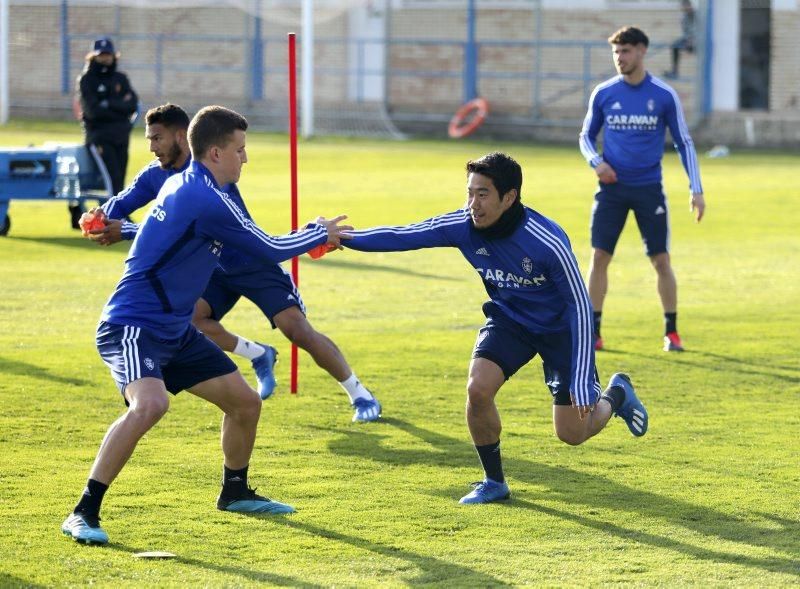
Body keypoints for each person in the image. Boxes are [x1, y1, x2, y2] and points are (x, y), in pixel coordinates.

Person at [61, 105, 352, 545]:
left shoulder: (189, 183)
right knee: (150, 405)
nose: (245, 158)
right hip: (134, 324)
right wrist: (318, 231)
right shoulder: (204, 197)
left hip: (174, 329)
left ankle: (235, 493)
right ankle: (83, 512)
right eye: (240, 150)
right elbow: (267, 247)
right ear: (215, 152)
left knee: (246, 404)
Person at [342, 152, 648, 505]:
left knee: (572, 433)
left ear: (509, 197)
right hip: (511, 318)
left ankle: (617, 395)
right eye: (469, 193)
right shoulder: (463, 225)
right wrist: (344, 239)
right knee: (478, 389)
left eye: (483, 194)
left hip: (561, 330)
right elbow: (405, 235)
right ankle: (494, 481)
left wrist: (580, 377)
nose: (473, 204)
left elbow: (578, 306)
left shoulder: (546, 241)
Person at [83, 103, 381, 422]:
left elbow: (185, 229)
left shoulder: (212, 175)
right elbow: (123, 207)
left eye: (157, 138)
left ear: (182, 137)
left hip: (253, 259)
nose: (152, 147)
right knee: (193, 320)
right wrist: (96, 219)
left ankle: (359, 393)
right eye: (149, 140)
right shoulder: (157, 175)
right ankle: (258, 354)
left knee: (296, 330)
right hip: (212, 268)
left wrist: (126, 229)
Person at [579, 26, 705, 353]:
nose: (619, 58)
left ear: (641, 51)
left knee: (661, 261)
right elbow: (585, 137)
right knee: (599, 257)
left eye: (625, 52)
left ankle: (672, 332)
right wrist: (597, 163)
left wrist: (696, 188)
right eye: (616, 53)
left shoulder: (663, 95)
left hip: (649, 189)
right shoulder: (604, 93)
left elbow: (684, 142)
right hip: (611, 190)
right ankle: (594, 332)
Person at [72, 36, 138, 229]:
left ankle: (116, 216)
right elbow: (92, 111)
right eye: (101, 55)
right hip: (99, 138)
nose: (105, 58)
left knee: (120, 178)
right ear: (93, 56)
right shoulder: (86, 79)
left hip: (121, 136)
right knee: (112, 178)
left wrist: (108, 104)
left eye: (107, 54)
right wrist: (118, 106)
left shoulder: (120, 78)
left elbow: (132, 104)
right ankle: (116, 218)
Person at [664, 0, 696, 79]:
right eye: (683, 7)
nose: (685, 9)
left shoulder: (697, 15)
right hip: (688, 40)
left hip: (698, 41)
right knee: (674, 46)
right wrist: (688, 39)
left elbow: (699, 30)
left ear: (690, 6)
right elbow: (685, 32)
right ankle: (674, 71)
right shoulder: (684, 18)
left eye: (686, 6)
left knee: (690, 44)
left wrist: (692, 40)